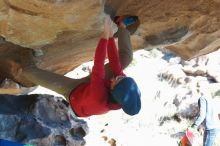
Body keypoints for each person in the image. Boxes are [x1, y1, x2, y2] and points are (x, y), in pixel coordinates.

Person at [0, 15, 141, 117]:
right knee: (126, 58)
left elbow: (98, 64)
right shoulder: (122, 84)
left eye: (117, 80)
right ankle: (122, 27)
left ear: (115, 91)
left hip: (74, 94)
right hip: (95, 85)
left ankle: (26, 49)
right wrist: (111, 35)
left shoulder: (99, 98)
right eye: (121, 78)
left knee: (29, 72)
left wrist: (104, 35)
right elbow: (115, 61)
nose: (117, 77)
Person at [188, 81, 220, 146]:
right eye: (197, 86)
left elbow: (202, 116)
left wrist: (193, 127)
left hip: (210, 128)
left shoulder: (202, 98)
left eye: (199, 86)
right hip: (215, 127)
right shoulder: (210, 96)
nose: (197, 88)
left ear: (204, 87)